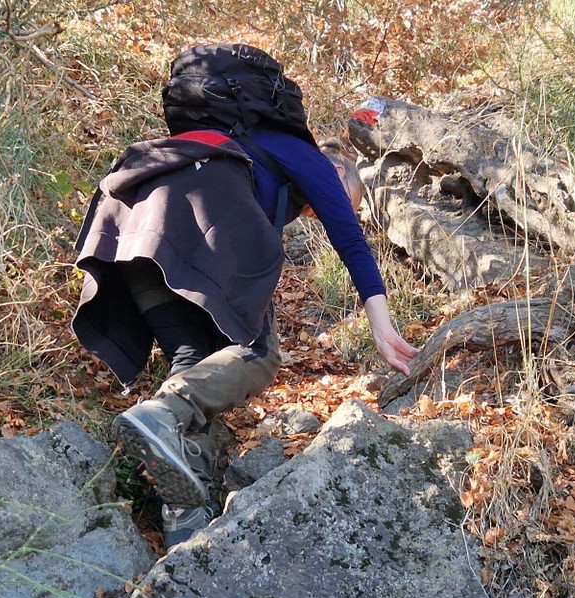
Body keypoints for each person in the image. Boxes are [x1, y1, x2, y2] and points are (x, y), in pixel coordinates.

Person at [72, 119, 418, 549]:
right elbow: (351, 243)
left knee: (193, 361)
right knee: (257, 352)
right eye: (353, 200)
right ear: (339, 175)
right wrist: (383, 328)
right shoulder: (312, 160)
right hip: (192, 222)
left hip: (133, 233)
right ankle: (161, 413)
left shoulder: (250, 158)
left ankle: (184, 511)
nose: (326, 212)